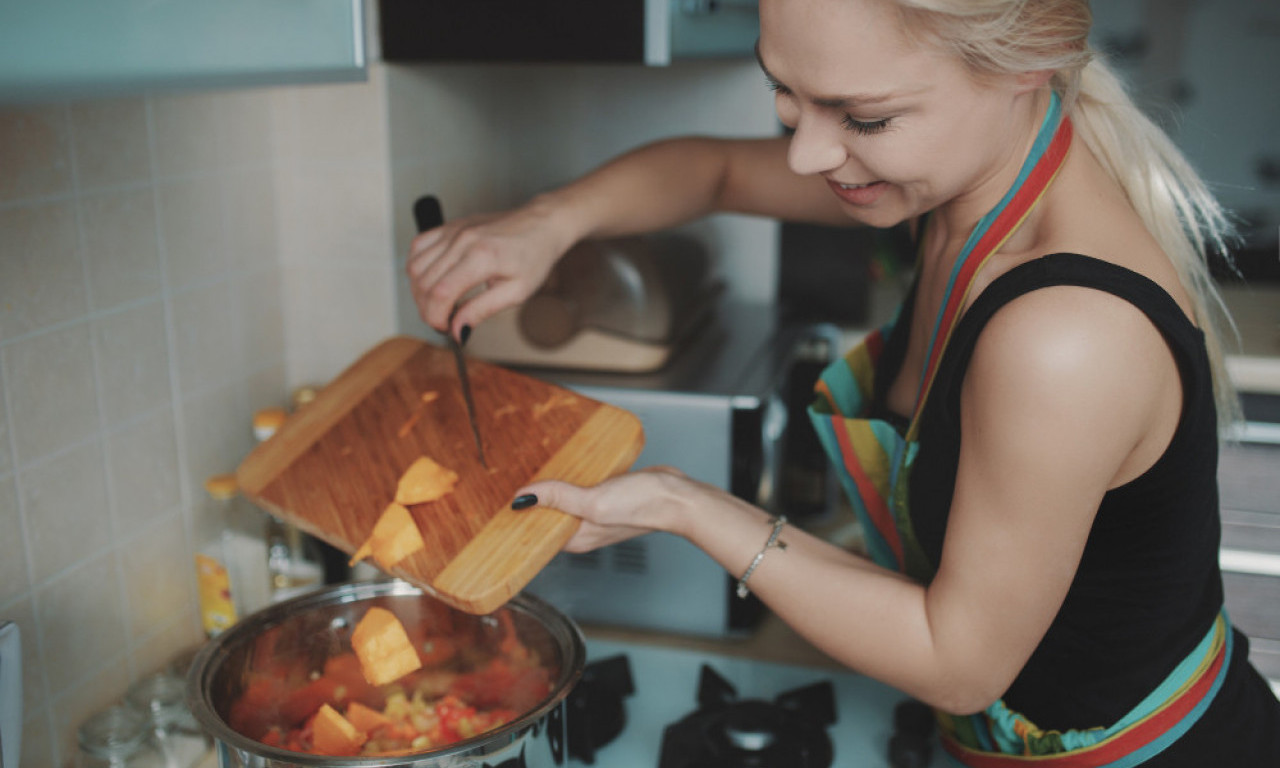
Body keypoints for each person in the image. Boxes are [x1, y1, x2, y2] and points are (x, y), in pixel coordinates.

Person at [405, 0, 1280, 764]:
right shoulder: (963, 177)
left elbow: (958, 663)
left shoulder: (1065, 334)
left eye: (864, 117)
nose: (806, 155)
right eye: (785, 95)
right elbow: (713, 170)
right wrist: (545, 225)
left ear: (1025, 65)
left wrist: (682, 503)